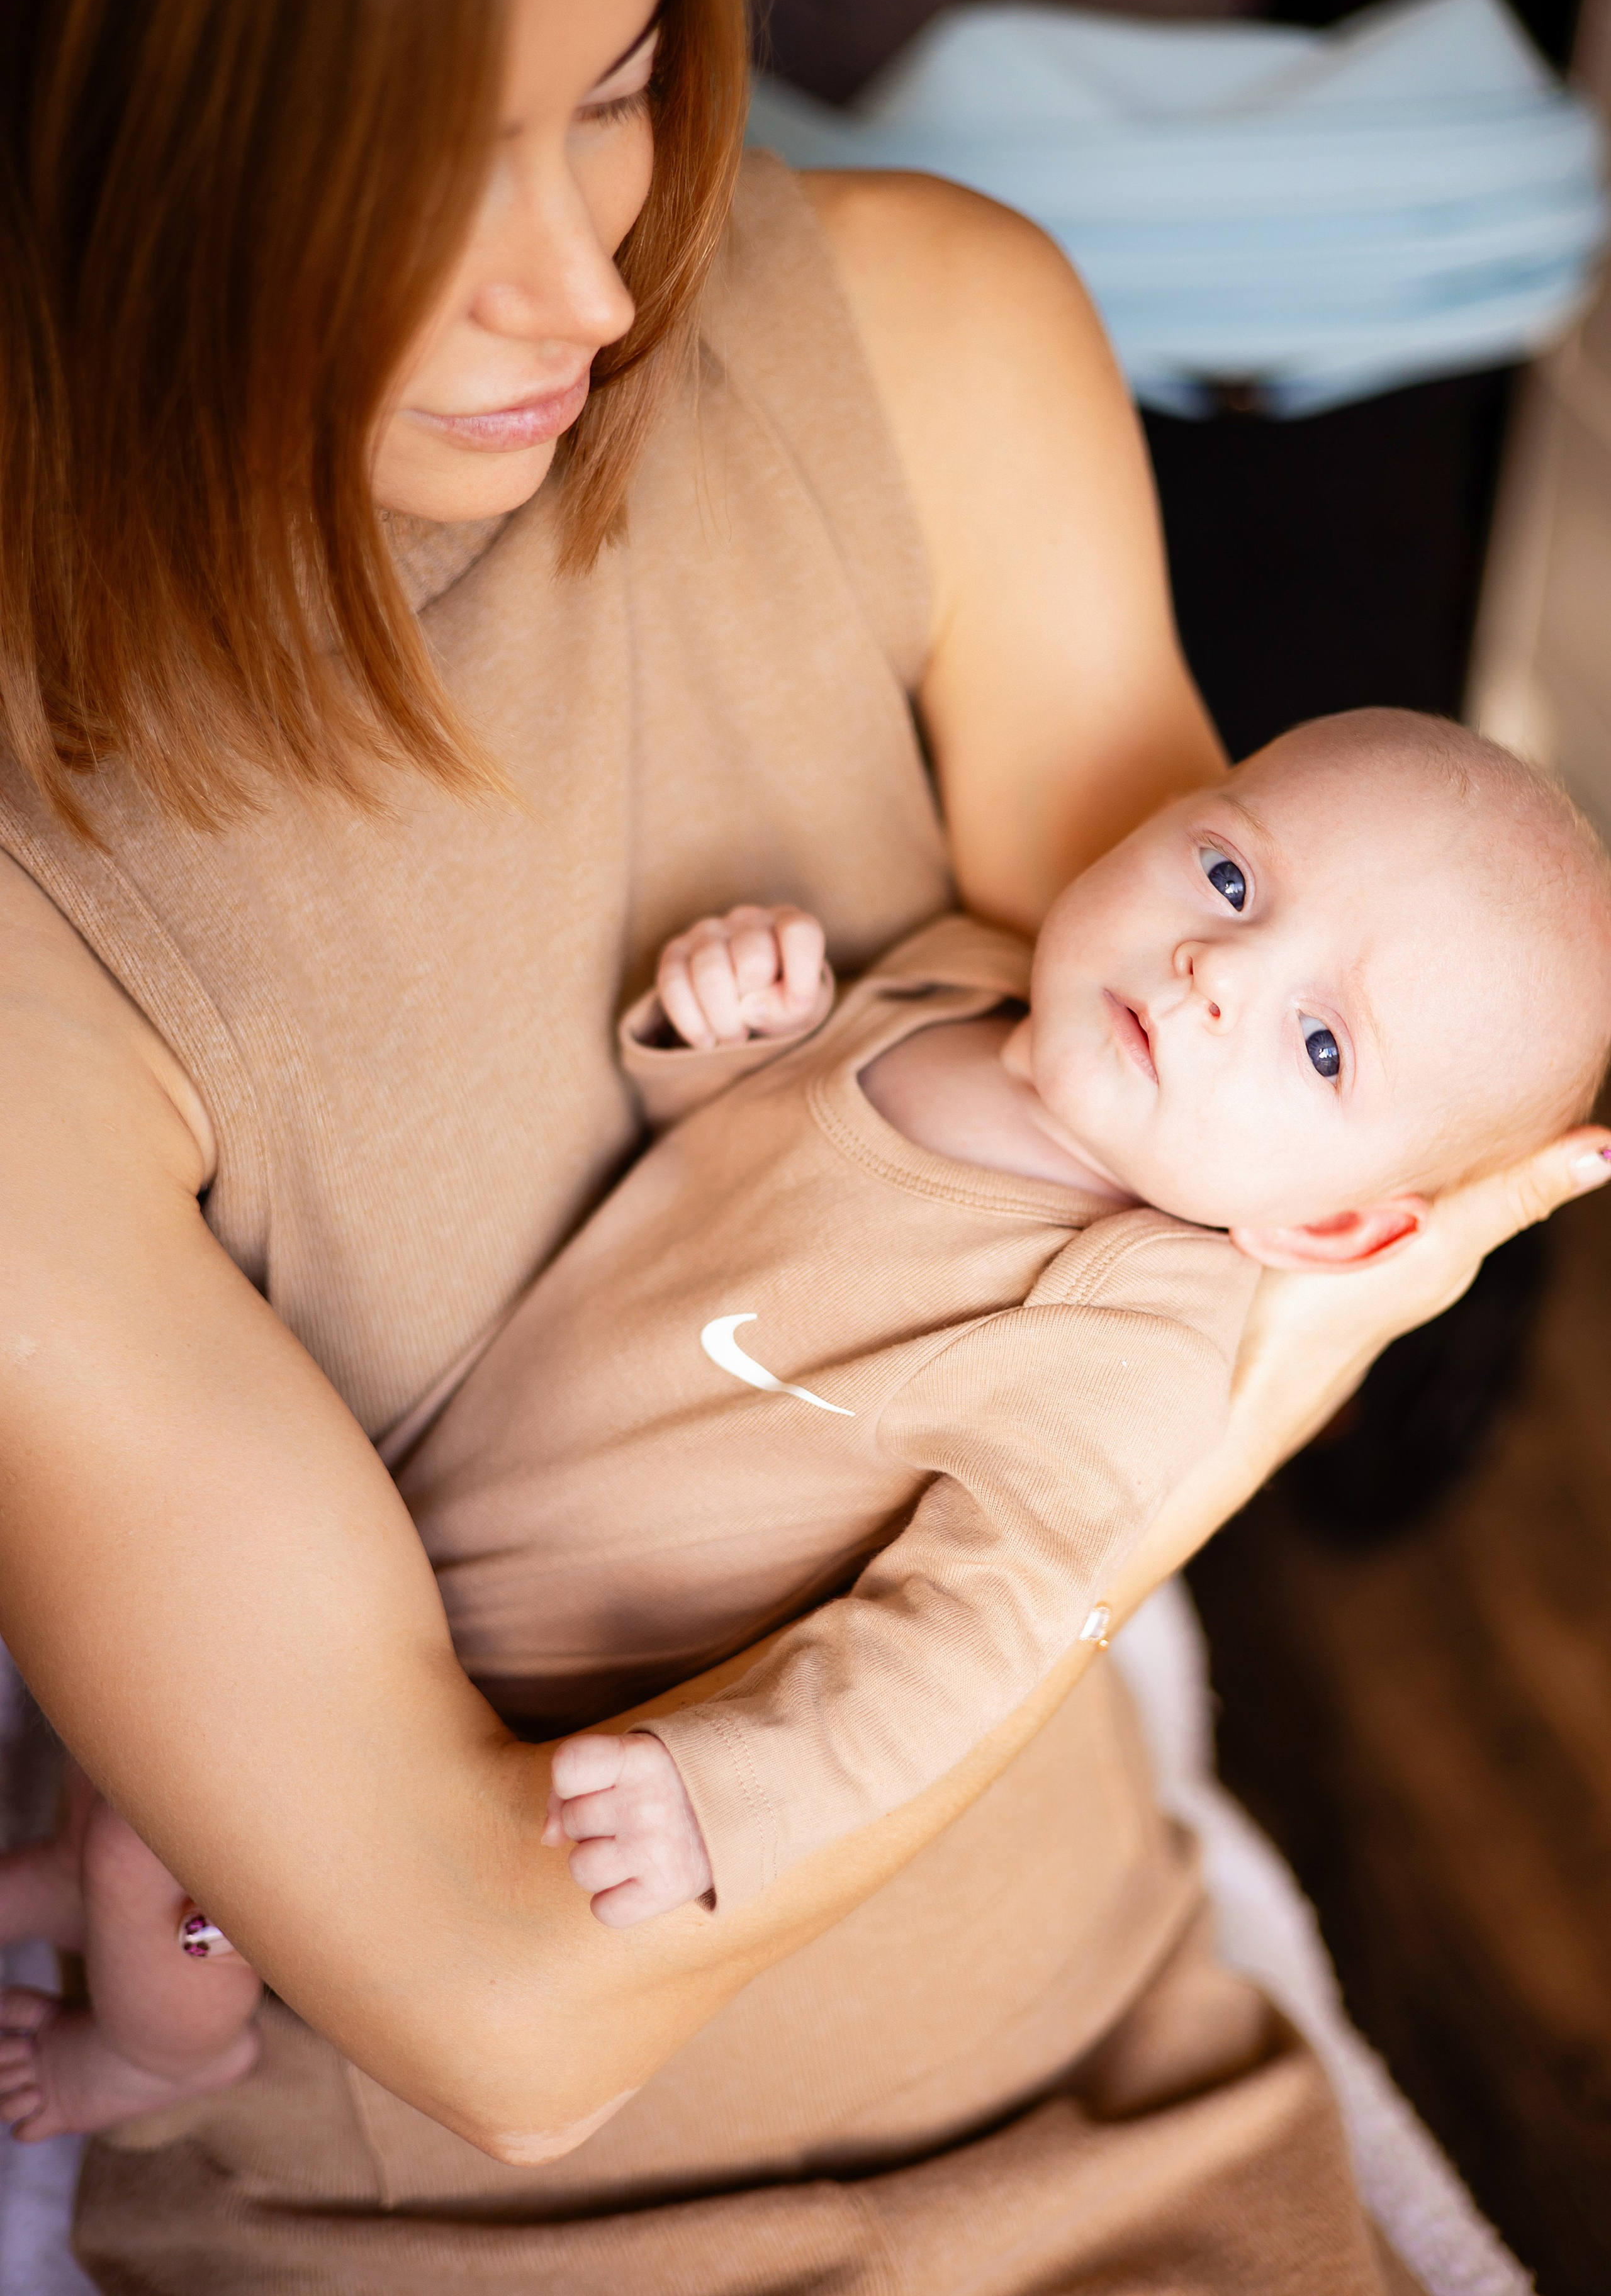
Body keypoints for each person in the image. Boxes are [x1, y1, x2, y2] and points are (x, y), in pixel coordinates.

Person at [0, 0, 1605, 2286]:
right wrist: (1267, 1364)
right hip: (458, 2234)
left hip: (1099, 2060)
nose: (590, 287)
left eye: (626, 85)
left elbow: (1180, 1217)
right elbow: (504, 2015)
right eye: (422, 173)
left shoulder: (933, 331)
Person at [5, 706, 1609, 2145]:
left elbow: (973, 1644)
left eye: (1321, 1045)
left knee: (177, 1837)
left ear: (1332, 1237)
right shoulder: (967, 976)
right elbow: (738, 1190)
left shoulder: (1117, 1340)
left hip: (529, 1667)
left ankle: (163, 2059)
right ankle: (74, 1872)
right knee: (148, 1714)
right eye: (1233, 879)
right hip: (413, 1507)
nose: (1217, 974)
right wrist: (733, 1037)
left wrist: (737, 1796)